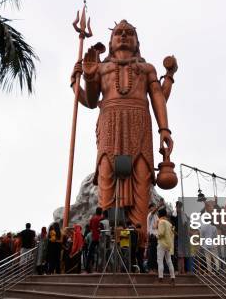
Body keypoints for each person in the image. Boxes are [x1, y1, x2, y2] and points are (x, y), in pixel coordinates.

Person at [70, 20, 177, 237]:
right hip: (110, 120)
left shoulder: (147, 68)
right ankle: (109, 236)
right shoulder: (102, 67)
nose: (124, 36)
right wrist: (86, 78)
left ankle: (141, 241)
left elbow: (158, 97)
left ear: (137, 42)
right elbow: (91, 102)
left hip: (140, 121)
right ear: (111, 42)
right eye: (119, 33)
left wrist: (164, 128)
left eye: (129, 33)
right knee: (106, 174)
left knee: (142, 176)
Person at [156, 208, 175, 285]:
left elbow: (161, 233)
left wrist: (156, 236)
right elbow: (172, 234)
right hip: (169, 244)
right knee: (169, 261)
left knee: (160, 260)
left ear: (159, 214)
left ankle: (160, 278)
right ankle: (173, 278)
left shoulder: (161, 222)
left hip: (162, 243)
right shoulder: (169, 223)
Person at [86, 207, 103, 273]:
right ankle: (101, 268)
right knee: (102, 253)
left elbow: (90, 227)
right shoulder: (101, 219)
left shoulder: (92, 218)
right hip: (101, 238)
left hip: (94, 237)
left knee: (90, 253)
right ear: (101, 212)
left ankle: (88, 267)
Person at [146, 203, 159, 273]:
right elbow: (153, 212)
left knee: (156, 254)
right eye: (153, 207)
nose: (154, 208)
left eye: (154, 207)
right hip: (152, 236)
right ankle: (150, 269)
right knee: (151, 253)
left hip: (157, 237)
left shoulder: (156, 216)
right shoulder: (150, 215)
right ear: (151, 208)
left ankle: (154, 268)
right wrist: (159, 205)